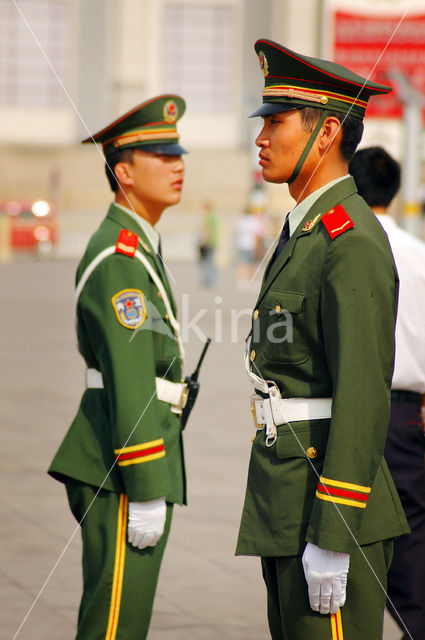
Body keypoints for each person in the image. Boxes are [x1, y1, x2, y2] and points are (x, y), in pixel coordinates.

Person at [236, 39, 409, 640]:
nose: (260, 138)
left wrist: (334, 537)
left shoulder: (349, 239)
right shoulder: (306, 228)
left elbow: (363, 394)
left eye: (275, 123)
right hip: (287, 495)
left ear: (327, 130)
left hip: (327, 507)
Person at [49, 95, 191, 640]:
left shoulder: (139, 250)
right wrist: (148, 483)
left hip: (130, 461)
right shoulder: (120, 258)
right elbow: (130, 380)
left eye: (178, 153)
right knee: (115, 625)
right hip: (123, 466)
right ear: (124, 171)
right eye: (161, 154)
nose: (177, 164)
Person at [349, 146, 425, 640]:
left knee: (348, 532)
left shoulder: (346, 246)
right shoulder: (420, 256)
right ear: (395, 193)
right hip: (407, 416)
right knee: (413, 533)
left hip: (354, 412)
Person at [198, 200, 218, 286]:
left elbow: (207, 230)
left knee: (205, 262)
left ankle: (207, 280)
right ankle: (211, 280)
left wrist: (205, 241)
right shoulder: (214, 218)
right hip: (214, 242)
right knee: (211, 262)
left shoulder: (207, 218)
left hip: (208, 243)